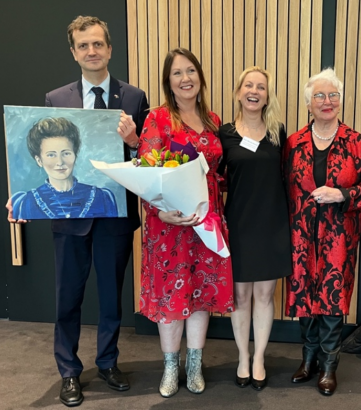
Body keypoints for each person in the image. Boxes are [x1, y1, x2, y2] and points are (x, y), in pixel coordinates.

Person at [7, 16, 149, 407]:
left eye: (98, 44)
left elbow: (147, 159)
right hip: (67, 218)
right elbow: (35, 157)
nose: (92, 51)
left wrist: (135, 141)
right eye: (84, 45)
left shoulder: (134, 98)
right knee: (67, 298)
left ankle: (107, 362)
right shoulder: (56, 98)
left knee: (110, 297)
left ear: (109, 48)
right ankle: (69, 371)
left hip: (113, 214)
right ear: (73, 52)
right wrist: (19, 195)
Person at [138, 48, 234, 398]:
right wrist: (159, 211)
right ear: (168, 82)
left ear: (200, 77)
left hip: (206, 221)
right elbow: (146, 173)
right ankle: (170, 366)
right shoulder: (158, 119)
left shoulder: (213, 120)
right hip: (169, 225)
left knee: (201, 292)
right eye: (177, 73)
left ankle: (194, 364)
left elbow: (220, 174)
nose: (185, 79)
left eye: (191, 71)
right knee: (171, 296)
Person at [283, 68, 361, 396]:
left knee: (332, 302)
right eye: (319, 96)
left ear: (340, 100)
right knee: (306, 301)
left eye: (333, 95)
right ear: (308, 104)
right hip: (301, 236)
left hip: (339, 236)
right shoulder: (293, 143)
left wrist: (343, 195)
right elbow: (282, 187)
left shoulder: (355, 142)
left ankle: (328, 367)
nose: (327, 101)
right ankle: (307, 360)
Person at [218, 67, 292, 391]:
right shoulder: (225, 134)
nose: (254, 91)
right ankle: (242, 356)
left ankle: (259, 357)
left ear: (266, 95)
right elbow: (213, 178)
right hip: (239, 223)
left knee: (264, 294)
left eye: (260, 87)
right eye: (248, 85)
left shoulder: (278, 132)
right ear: (238, 92)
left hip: (271, 223)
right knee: (240, 295)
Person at [12, 117, 118, 219]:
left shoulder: (102, 197)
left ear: (75, 155)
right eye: (51, 155)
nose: (60, 162)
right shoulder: (25, 202)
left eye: (66, 153)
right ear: (39, 160)